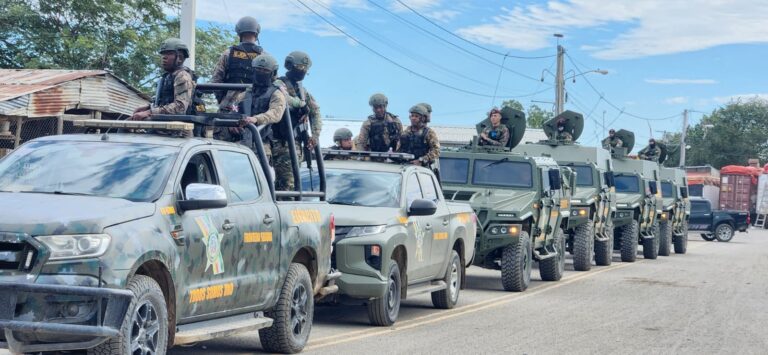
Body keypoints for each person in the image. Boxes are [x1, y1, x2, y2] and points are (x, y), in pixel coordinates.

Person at [237, 54, 287, 166]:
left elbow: (275, 114)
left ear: (272, 73)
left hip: (261, 145)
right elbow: (234, 111)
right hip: (239, 144)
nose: (261, 72)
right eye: (258, 69)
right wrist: (233, 124)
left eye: (265, 70)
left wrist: (255, 119)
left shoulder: (276, 94)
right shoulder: (245, 94)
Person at [131, 38, 194, 120]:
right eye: (163, 54)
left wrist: (149, 112)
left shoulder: (182, 76)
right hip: (162, 126)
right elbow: (163, 102)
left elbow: (180, 108)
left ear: (180, 58)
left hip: (177, 130)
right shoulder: (167, 77)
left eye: (169, 54)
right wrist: (148, 108)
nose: (164, 57)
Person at [211, 16, 265, 112]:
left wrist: (223, 100)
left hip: (230, 107)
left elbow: (216, 80)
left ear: (239, 32)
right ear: (256, 33)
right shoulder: (264, 57)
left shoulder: (228, 53)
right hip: (255, 108)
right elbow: (272, 83)